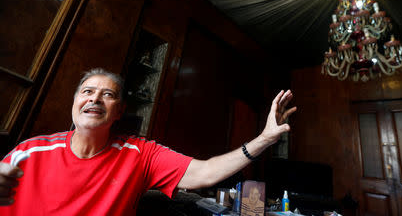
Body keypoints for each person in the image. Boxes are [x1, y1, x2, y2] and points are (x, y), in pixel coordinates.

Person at [0, 68, 296, 215]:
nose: (95, 99)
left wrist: (264, 139)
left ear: (119, 111)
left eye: (108, 94)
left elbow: (204, 172)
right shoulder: (30, 151)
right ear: (75, 102)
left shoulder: (139, 153)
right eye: (87, 91)